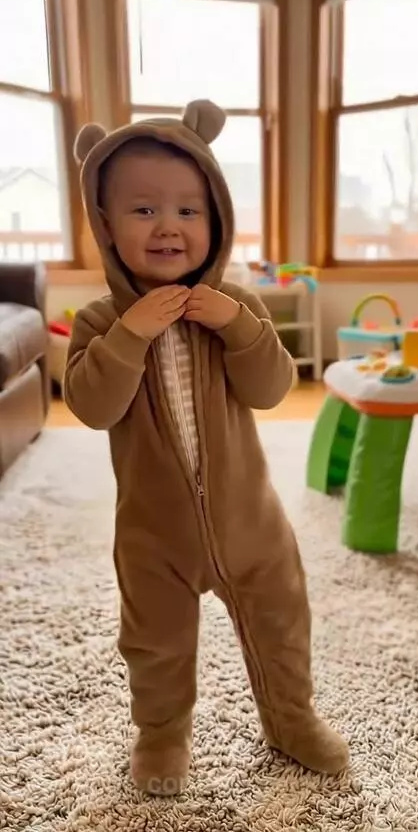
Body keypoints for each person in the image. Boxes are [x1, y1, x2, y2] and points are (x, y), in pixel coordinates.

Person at [65, 99, 349, 796]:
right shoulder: (100, 320)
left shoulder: (238, 304)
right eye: (143, 210)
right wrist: (128, 333)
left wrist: (241, 326)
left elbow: (273, 387)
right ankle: (161, 733)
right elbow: (91, 405)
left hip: (251, 521)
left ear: (216, 219)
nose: (168, 226)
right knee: (155, 643)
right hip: (153, 532)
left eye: (189, 211)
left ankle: (291, 716)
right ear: (106, 226)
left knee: (282, 620)